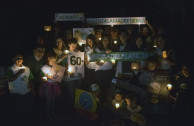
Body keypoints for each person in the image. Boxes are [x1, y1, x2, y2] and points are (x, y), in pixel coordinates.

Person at [6, 53, 34, 125]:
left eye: (21, 58)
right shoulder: (10, 69)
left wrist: (33, 90)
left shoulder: (27, 68)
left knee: (28, 108)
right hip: (16, 93)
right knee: (18, 110)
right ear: (13, 59)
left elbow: (30, 79)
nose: (19, 60)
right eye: (17, 58)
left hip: (26, 92)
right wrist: (19, 73)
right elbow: (10, 79)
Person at [39, 51, 61, 120]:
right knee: (48, 101)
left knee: (53, 100)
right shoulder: (45, 67)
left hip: (54, 85)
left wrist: (59, 77)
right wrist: (45, 76)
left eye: (55, 60)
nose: (54, 62)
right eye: (52, 60)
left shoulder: (56, 67)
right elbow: (41, 76)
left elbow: (58, 77)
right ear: (48, 58)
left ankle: (52, 112)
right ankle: (47, 113)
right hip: (47, 85)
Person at [64, 38, 82, 110]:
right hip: (69, 78)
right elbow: (62, 64)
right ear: (69, 45)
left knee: (77, 94)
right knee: (71, 95)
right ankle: (70, 110)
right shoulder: (66, 54)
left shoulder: (79, 53)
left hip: (78, 77)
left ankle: (77, 110)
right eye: (72, 44)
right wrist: (65, 71)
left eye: (75, 44)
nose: (74, 46)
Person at [95, 35, 114, 102]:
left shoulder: (111, 49)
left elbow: (113, 61)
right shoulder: (97, 50)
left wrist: (113, 61)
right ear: (101, 41)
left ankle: (106, 103)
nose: (106, 42)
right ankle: (100, 102)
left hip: (109, 70)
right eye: (104, 40)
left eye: (107, 40)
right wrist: (104, 55)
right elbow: (97, 62)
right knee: (100, 88)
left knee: (108, 88)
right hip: (100, 71)